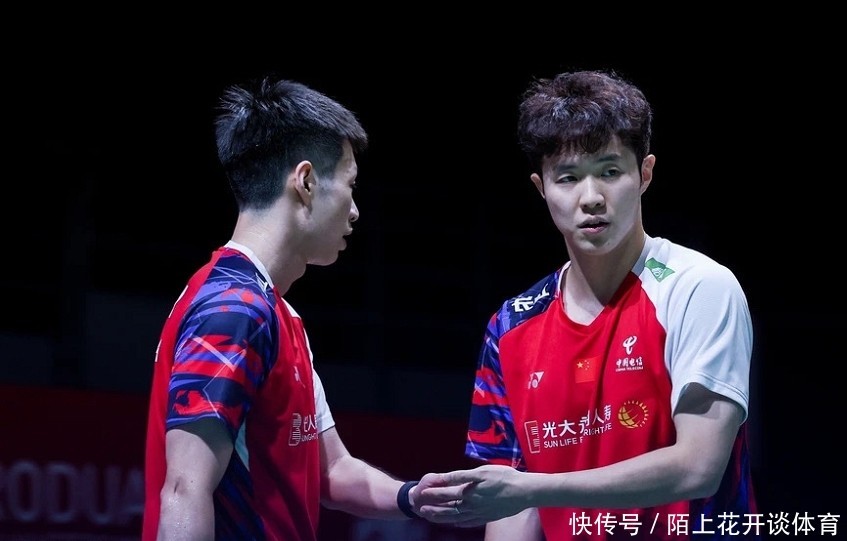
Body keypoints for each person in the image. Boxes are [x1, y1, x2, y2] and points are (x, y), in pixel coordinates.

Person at [415, 69, 759, 540]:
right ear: (541, 187)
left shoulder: (697, 288)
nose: (591, 198)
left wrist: (534, 489)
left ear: (645, 173)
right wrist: (523, 493)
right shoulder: (510, 327)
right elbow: (510, 505)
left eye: (610, 172)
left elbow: (698, 467)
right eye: (568, 178)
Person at [142, 75, 453, 540]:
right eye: (350, 185)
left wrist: (413, 497)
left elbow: (332, 470)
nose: (355, 210)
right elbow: (185, 491)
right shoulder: (233, 309)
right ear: (306, 182)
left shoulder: (277, 315)